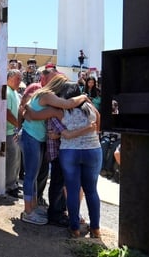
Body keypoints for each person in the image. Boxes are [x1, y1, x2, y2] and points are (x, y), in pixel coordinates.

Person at [19, 75, 89, 225]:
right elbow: (68, 103)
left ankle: (33, 207)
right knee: (31, 175)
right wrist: (83, 96)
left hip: (33, 137)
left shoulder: (41, 94)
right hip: (32, 137)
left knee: (34, 175)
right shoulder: (48, 95)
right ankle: (28, 211)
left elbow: (29, 113)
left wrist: (27, 110)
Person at [56, 85, 102, 238]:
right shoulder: (90, 106)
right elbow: (99, 122)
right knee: (91, 190)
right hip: (93, 150)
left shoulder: (62, 109)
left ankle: (74, 228)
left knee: (73, 190)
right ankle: (95, 229)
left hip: (69, 151)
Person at [5, 69, 22, 198]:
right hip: (9, 131)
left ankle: (14, 182)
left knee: (16, 159)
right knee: (12, 159)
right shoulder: (7, 91)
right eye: (18, 79)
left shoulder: (15, 92)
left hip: (14, 131)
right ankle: (10, 185)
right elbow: (7, 113)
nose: (19, 82)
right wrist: (18, 125)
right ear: (10, 78)